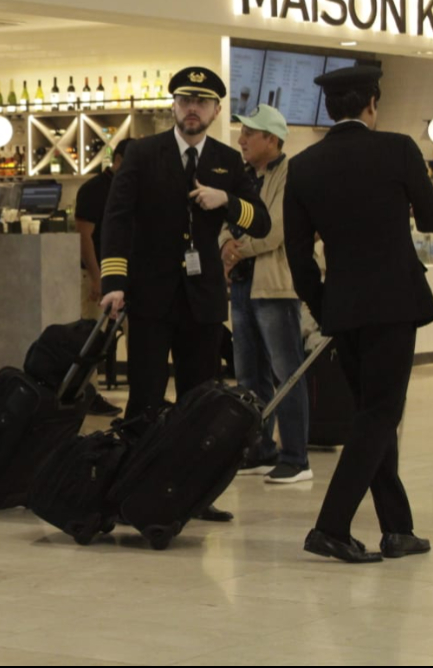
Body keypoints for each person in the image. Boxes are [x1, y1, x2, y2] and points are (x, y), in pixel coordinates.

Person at [285, 65, 433, 563]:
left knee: (370, 414)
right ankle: (330, 526)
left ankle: (398, 528)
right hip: (394, 304)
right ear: (372, 104)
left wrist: (322, 305)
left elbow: (297, 253)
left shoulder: (304, 164)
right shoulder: (398, 148)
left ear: (331, 110)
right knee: (380, 414)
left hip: (343, 307)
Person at [99, 66, 271, 523]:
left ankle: (193, 494)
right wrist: (114, 282)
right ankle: (130, 488)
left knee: (200, 403)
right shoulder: (142, 153)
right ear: (173, 106)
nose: (191, 109)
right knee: (145, 397)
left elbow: (262, 222)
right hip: (151, 297)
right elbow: (116, 219)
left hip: (203, 301)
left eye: (202, 102)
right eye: (184, 100)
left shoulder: (227, 162)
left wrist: (227, 202)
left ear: (216, 111)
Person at [221, 105, 312, 485]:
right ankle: (259, 449)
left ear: (271, 140)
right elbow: (224, 221)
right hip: (242, 285)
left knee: (285, 372)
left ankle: (296, 457)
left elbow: (276, 230)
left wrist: (235, 249)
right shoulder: (242, 178)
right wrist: (225, 245)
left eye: (250, 133)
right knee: (248, 375)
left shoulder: (291, 174)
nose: (241, 140)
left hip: (275, 287)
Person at [74, 138, 129, 417]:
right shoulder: (93, 190)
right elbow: (84, 237)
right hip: (96, 275)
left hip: (131, 276)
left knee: (142, 336)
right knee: (91, 338)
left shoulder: (133, 187)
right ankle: (87, 395)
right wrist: (97, 278)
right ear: (117, 160)